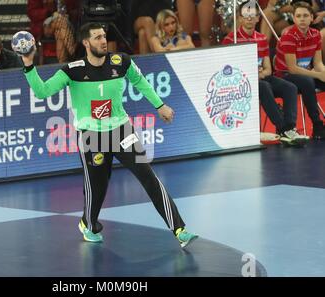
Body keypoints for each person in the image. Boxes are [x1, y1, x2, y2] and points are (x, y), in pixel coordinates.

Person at [21, 22, 198, 247]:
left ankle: (179, 229)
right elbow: (42, 91)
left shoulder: (121, 61)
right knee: (97, 188)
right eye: (97, 37)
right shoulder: (73, 70)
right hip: (91, 136)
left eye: (104, 36)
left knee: (149, 177)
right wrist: (28, 65)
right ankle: (89, 223)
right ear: (85, 42)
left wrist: (159, 105)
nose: (103, 41)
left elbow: (140, 82)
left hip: (121, 130)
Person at [222, 1, 309, 145]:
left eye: (253, 15)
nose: (249, 18)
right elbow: (227, 69)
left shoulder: (261, 39)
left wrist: (260, 74)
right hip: (241, 83)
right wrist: (253, 74)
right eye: (245, 15)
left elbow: (268, 68)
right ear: (240, 18)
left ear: (258, 18)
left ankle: (290, 127)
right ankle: (283, 129)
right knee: (264, 86)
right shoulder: (231, 39)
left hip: (261, 77)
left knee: (290, 87)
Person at [274, 1, 325, 139]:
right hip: (284, 76)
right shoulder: (288, 36)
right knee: (307, 82)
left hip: (305, 73)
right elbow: (292, 69)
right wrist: (318, 74)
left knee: (310, 80)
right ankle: (318, 124)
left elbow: (318, 62)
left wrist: (323, 73)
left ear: (312, 18)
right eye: (298, 16)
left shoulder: (315, 34)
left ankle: (319, 126)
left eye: (305, 15)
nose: (302, 19)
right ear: (294, 18)